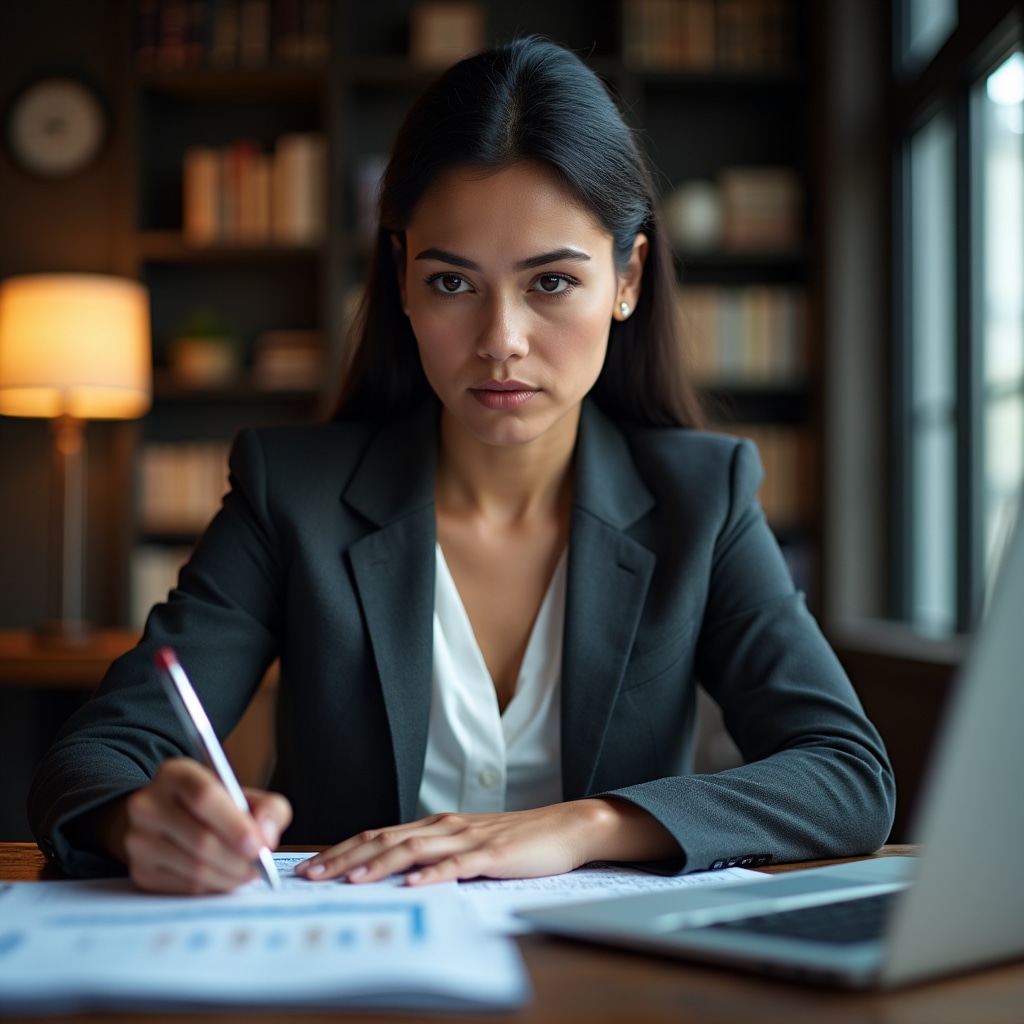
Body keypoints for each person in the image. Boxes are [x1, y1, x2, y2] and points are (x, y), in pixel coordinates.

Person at [29, 37, 895, 895]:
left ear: (628, 278)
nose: (500, 342)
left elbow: (847, 777)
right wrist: (141, 818)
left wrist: (581, 826)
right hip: (356, 966)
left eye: (551, 282)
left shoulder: (702, 498)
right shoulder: (291, 493)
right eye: (452, 283)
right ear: (403, 278)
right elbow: (98, 756)